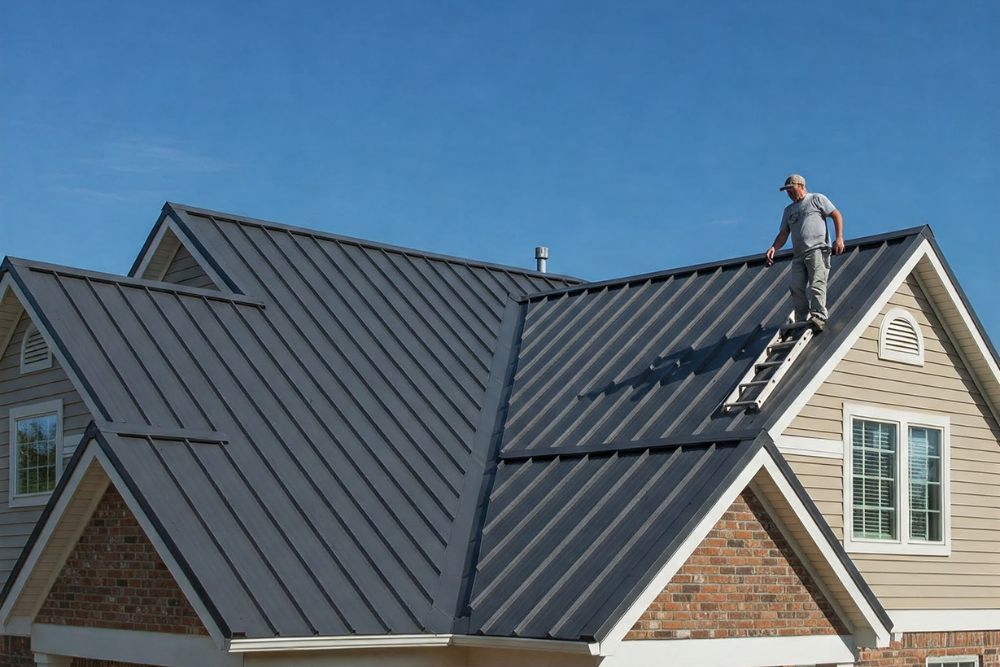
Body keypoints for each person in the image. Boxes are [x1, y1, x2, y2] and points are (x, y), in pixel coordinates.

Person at [765, 174, 845, 332]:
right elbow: (783, 233)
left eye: (790, 189)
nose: (788, 193)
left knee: (817, 284)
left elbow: (836, 214)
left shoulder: (816, 199)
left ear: (800, 186)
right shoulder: (789, 210)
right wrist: (774, 247)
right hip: (799, 254)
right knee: (795, 287)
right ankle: (802, 318)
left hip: (817, 249)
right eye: (787, 190)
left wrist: (839, 238)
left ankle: (818, 315)